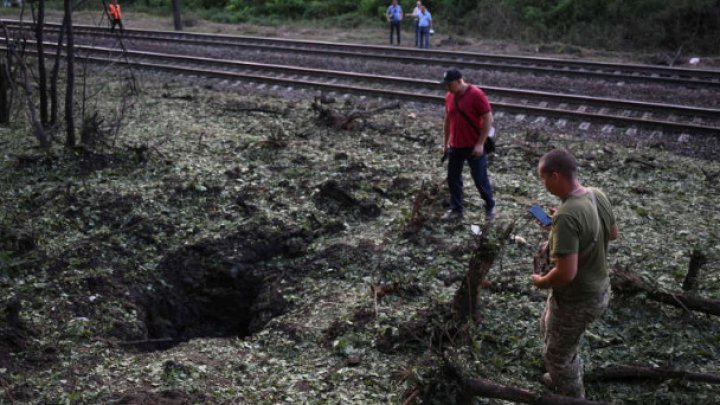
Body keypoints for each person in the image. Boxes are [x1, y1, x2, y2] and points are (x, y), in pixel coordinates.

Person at [531, 149, 619, 398]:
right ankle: (563, 373)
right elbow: (612, 234)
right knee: (550, 329)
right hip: (600, 288)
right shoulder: (596, 195)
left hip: (578, 297)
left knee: (556, 355)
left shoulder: (568, 215)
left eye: (543, 177)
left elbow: (566, 273)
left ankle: (572, 395)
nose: (543, 183)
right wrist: (557, 227)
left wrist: (540, 282)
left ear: (555, 176)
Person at [440, 69, 496, 221]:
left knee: (479, 179)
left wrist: (480, 144)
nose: (447, 88)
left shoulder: (476, 94)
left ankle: (490, 205)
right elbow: (447, 120)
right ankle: (456, 209)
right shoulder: (449, 96)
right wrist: (445, 143)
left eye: (449, 84)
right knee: (453, 179)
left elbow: (488, 118)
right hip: (455, 145)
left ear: (459, 82)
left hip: (473, 146)